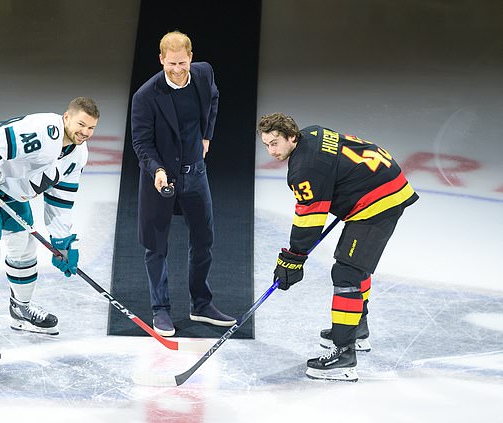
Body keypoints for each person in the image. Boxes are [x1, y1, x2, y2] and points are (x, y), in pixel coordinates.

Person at [0, 97, 100, 372]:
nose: (85, 132)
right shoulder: (44, 132)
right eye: (81, 124)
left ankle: (20, 309)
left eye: (91, 128)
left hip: (6, 185)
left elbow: (60, 201)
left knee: (25, 245)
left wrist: (62, 242)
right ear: (66, 118)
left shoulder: (77, 155)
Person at [257, 113, 418, 382]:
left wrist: (293, 258)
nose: (271, 151)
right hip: (384, 182)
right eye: (266, 145)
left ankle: (343, 355)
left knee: (347, 273)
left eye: (275, 143)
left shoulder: (303, 170)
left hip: (380, 201)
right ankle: (355, 330)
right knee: (355, 266)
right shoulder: (313, 133)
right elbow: (337, 170)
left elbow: (310, 219)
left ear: (292, 137)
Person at [130, 30, 236, 337]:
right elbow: (141, 143)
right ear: (161, 59)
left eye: (182, 63)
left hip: (196, 174)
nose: (177, 70)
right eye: (170, 64)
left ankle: (200, 304)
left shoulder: (203, 74)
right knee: (155, 246)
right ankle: (160, 310)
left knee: (204, 240)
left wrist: (206, 136)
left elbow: (213, 99)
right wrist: (157, 170)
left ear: (191, 57)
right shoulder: (146, 96)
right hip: (160, 177)